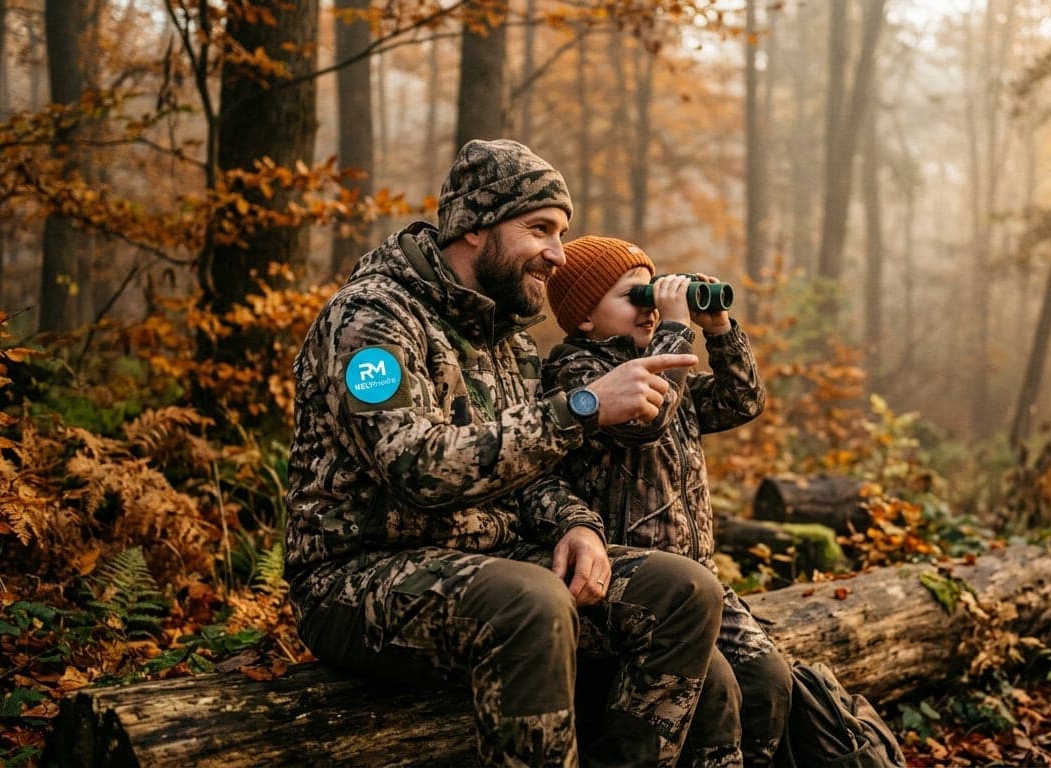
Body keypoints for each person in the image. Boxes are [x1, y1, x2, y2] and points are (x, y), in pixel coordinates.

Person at [284, 139, 741, 767]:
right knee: (534, 601)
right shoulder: (372, 318)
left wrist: (576, 524)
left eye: (562, 232)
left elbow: (527, 473)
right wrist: (581, 406)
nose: (557, 254)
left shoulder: (508, 340)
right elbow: (416, 468)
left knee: (686, 590)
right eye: (540, 229)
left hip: (492, 556)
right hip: (357, 576)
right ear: (474, 227)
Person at [528, 235, 792, 766]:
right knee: (715, 695)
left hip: (702, 576)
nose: (649, 309)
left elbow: (743, 401)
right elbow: (648, 423)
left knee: (768, 681)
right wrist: (673, 327)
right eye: (635, 297)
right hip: (637, 591)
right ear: (583, 317)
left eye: (651, 295)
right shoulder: (577, 374)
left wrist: (717, 328)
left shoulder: (664, 369)